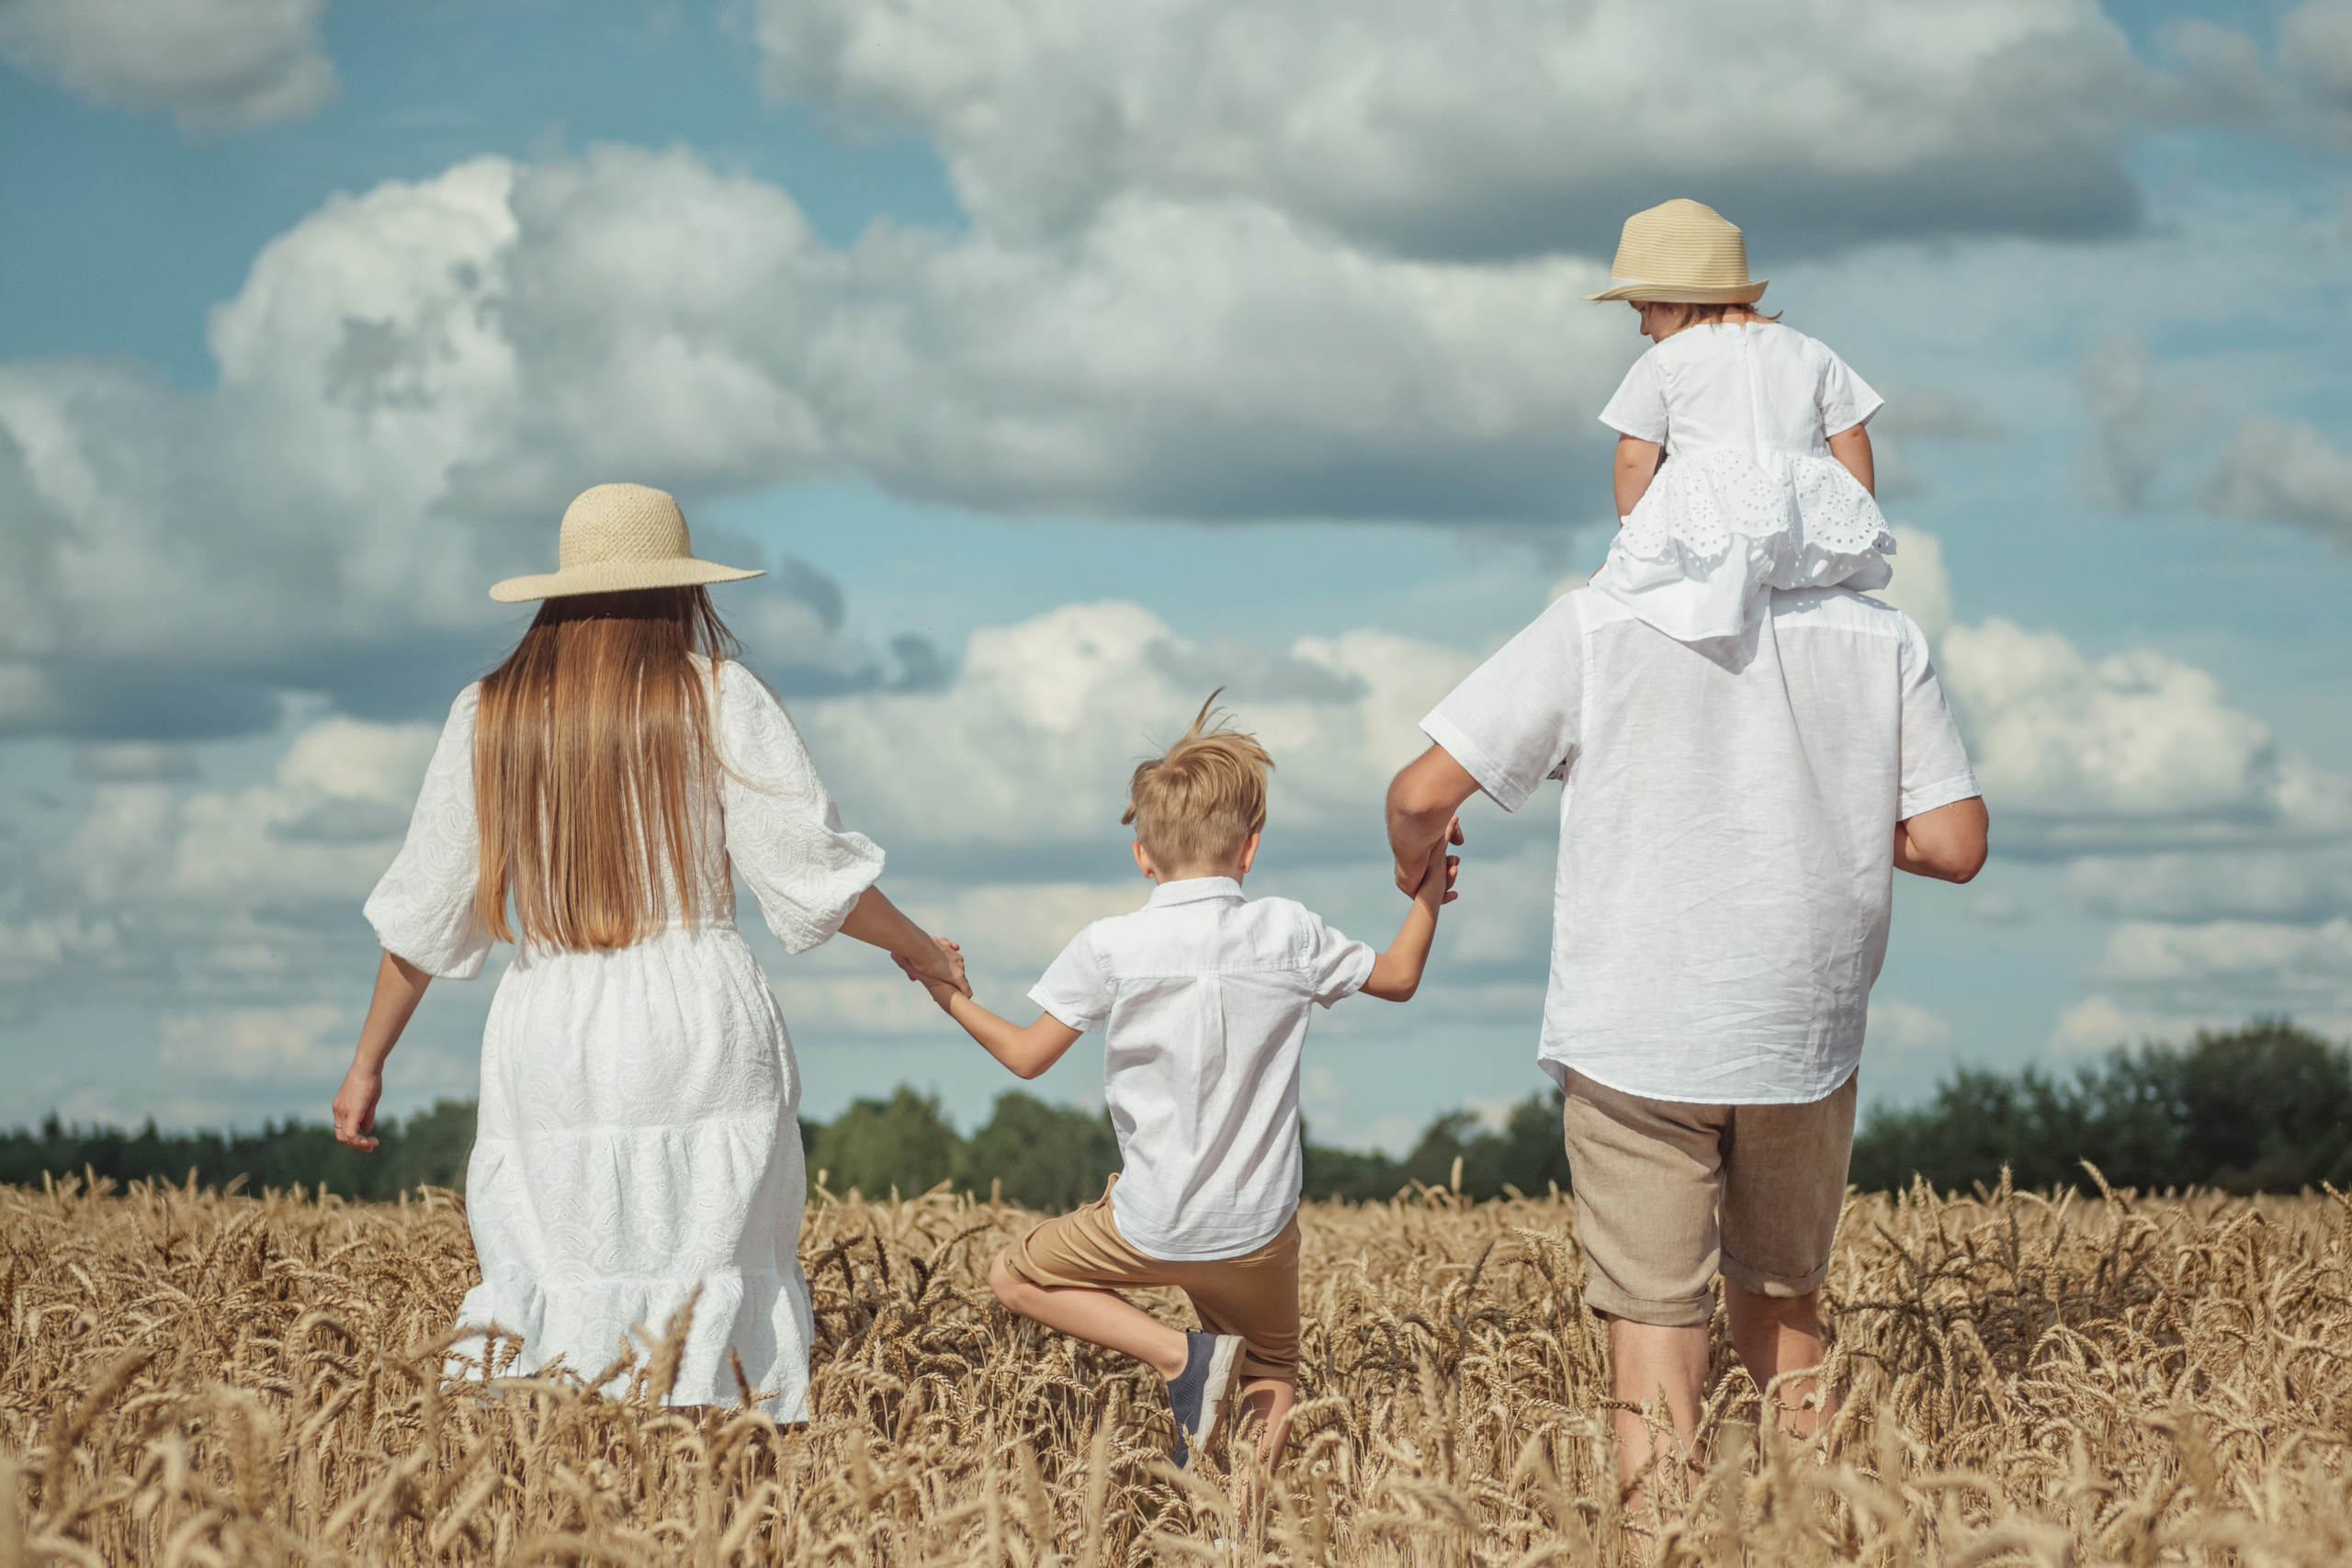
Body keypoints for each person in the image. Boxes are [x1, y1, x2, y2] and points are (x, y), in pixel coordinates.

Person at [1382, 198, 1987, 1495]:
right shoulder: (1882, 640)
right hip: (1799, 1032)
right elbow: (1951, 839)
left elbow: (1421, 785)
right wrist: (1824, 812)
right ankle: (1823, 1525)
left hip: (1638, 1030)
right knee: (1787, 1312)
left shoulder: (1599, 622)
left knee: (1653, 1342)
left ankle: (1663, 1530)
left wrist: (1415, 862)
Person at [329, 482, 967, 1418]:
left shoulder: (490, 714)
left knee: (556, 1273)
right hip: (694, 1019)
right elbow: (808, 868)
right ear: (683, 590)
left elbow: (426, 911)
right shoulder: (716, 695)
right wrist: (917, 948)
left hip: (547, 1024)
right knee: (702, 1279)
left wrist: (365, 1063)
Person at [899, 696, 1455, 1471]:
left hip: (1149, 1220)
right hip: (1257, 1227)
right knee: (1270, 1369)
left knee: (1012, 1275)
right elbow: (1397, 977)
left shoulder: (1110, 945)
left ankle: (1176, 1356)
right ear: (1249, 850)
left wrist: (949, 994)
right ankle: (1239, 1533)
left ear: (1142, 855)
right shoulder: (1289, 929)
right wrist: (1428, 890)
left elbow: (1026, 1057)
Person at [1582, 198, 1894, 645]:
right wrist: (1856, 513)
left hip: (1709, 532)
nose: (1643, 328)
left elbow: (1635, 457)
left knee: (1607, 592)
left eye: (1642, 310)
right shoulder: (1810, 350)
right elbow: (1851, 433)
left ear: (1674, 302)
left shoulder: (1665, 361)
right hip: (1805, 528)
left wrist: (1633, 541)